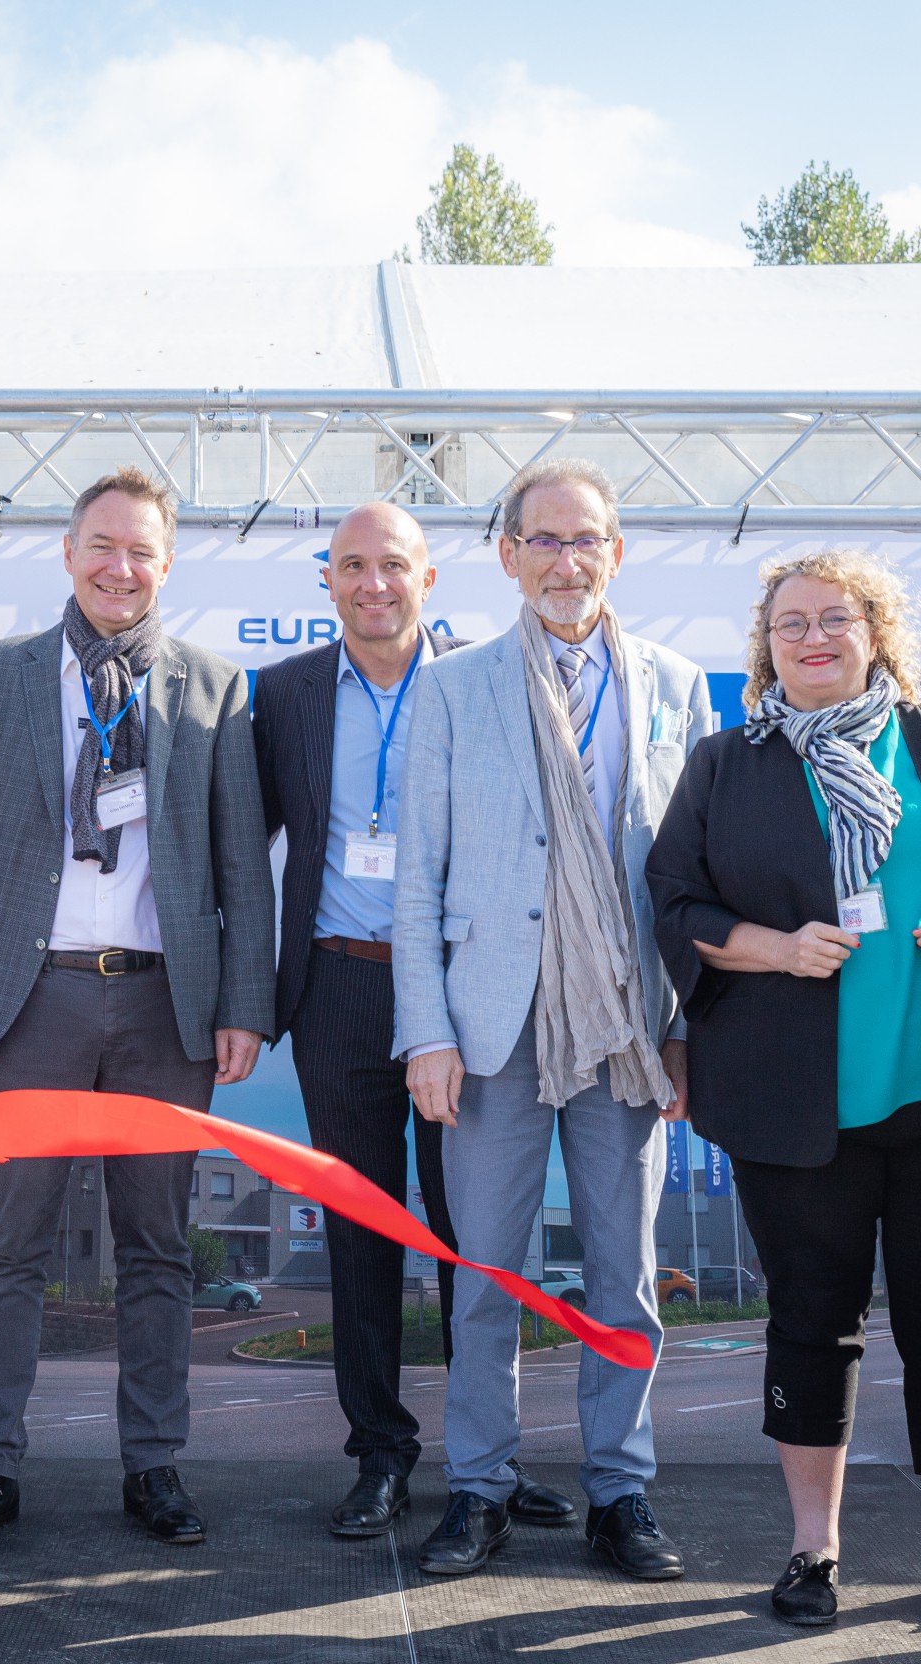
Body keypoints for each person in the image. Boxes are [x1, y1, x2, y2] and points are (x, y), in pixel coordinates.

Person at [647, 552, 921, 1636]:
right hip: (791, 1105)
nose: (813, 638)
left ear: (879, 631)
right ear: (764, 649)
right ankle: (812, 1549)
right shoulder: (728, 761)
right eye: (790, 624)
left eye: (837, 618)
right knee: (812, 1324)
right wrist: (766, 945)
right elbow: (673, 899)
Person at [0, 466, 274, 1551]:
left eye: (143, 551)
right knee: (10, 1244)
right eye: (103, 546)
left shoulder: (215, 687)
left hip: (165, 1008)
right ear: (69, 553)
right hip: (29, 1002)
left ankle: (155, 1465)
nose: (122, 568)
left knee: (159, 1245)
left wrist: (242, 999)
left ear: (167, 564)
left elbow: (241, 868)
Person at [392, 458, 710, 1581]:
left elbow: (686, 876)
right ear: (508, 555)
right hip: (490, 1022)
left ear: (615, 554)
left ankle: (620, 1491)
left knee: (623, 1275)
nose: (566, 562)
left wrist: (682, 1024)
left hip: (624, 1016)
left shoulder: (676, 684)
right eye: (544, 541)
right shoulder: (451, 686)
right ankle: (476, 1487)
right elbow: (415, 878)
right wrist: (425, 1030)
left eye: (587, 541)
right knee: (487, 1272)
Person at [250, 501, 576, 1540]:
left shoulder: (486, 684)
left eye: (392, 563)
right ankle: (381, 1452)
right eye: (351, 565)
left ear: (430, 576)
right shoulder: (285, 694)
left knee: (477, 1236)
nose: (372, 583)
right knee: (358, 1226)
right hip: (339, 988)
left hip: (463, 990)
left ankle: (488, 1458)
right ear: (329, 579)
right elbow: (232, 848)